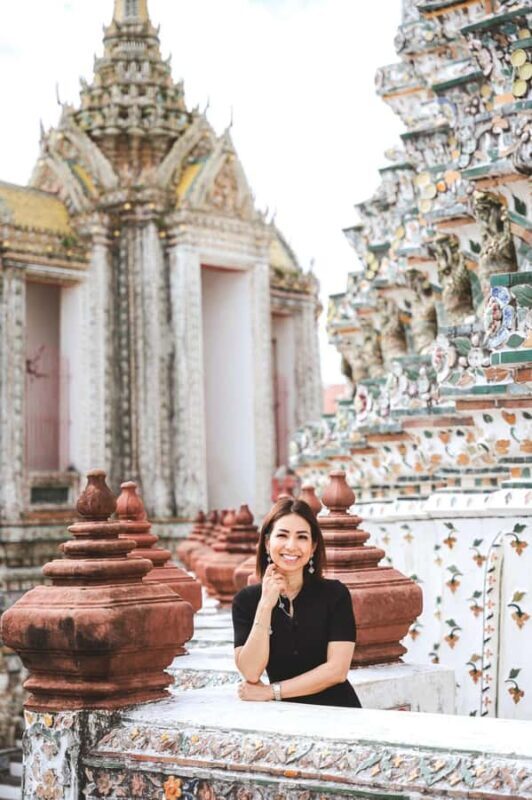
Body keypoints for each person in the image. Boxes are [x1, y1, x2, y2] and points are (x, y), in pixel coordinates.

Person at [232, 497, 361, 707]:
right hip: (284, 720)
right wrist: (265, 605)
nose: (291, 546)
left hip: (339, 713)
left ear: (313, 547)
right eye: (282, 535)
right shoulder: (246, 601)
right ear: (267, 543)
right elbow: (250, 671)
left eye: (302, 537)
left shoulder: (335, 594)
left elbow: (337, 671)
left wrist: (272, 692)